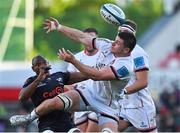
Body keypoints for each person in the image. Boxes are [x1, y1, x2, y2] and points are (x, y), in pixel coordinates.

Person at [10, 26, 137, 132]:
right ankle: (29, 118)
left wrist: (74, 61)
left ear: (126, 50)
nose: (113, 44)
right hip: (88, 93)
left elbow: (97, 76)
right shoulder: (107, 45)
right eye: (115, 40)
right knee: (55, 102)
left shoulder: (125, 66)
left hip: (108, 105)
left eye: (117, 43)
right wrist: (59, 27)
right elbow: (82, 37)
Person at [13, 55, 87, 132]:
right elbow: (22, 97)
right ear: (33, 68)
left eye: (43, 63)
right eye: (38, 64)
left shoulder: (59, 75)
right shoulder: (31, 81)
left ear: (48, 64)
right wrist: (38, 80)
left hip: (66, 121)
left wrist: (95, 71)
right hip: (46, 124)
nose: (41, 66)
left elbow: (85, 75)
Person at [117, 20, 157, 132]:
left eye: (124, 32)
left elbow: (142, 82)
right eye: (119, 31)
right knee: (106, 129)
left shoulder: (138, 53)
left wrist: (122, 92)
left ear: (132, 34)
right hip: (123, 106)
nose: (121, 34)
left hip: (140, 107)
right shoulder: (119, 51)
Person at [67, 28, 99, 132]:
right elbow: (69, 82)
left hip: (99, 100)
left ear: (97, 39)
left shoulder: (103, 56)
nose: (89, 41)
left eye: (92, 38)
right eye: (86, 38)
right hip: (81, 100)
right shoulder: (75, 58)